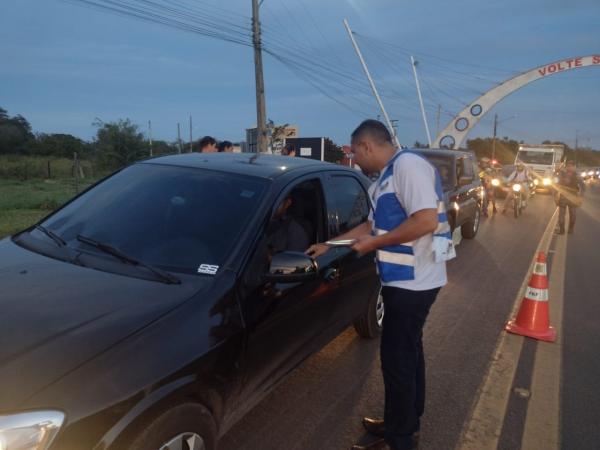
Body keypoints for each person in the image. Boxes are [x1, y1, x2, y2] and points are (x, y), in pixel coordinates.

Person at [307, 120, 452, 450]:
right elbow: (371, 225)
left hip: (414, 282)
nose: (355, 160)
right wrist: (331, 244)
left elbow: (425, 221)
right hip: (402, 279)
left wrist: (374, 244)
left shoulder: (409, 166)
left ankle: (400, 439)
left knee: (397, 359)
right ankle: (405, 420)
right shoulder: (387, 177)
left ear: (366, 146)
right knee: (408, 353)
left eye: (355, 152)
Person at [555, 160, 584, 234]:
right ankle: (563, 230)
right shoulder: (563, 174)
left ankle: (568, 229)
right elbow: (557, 184)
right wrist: (556, 194)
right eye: (568, 166)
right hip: (564, 196)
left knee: (572, 215)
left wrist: (580, 196)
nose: (569, 167)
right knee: (563, 214)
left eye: (571, 166)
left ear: (574, 167)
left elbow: (582, 186)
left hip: (572, 197)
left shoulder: (576, 175)